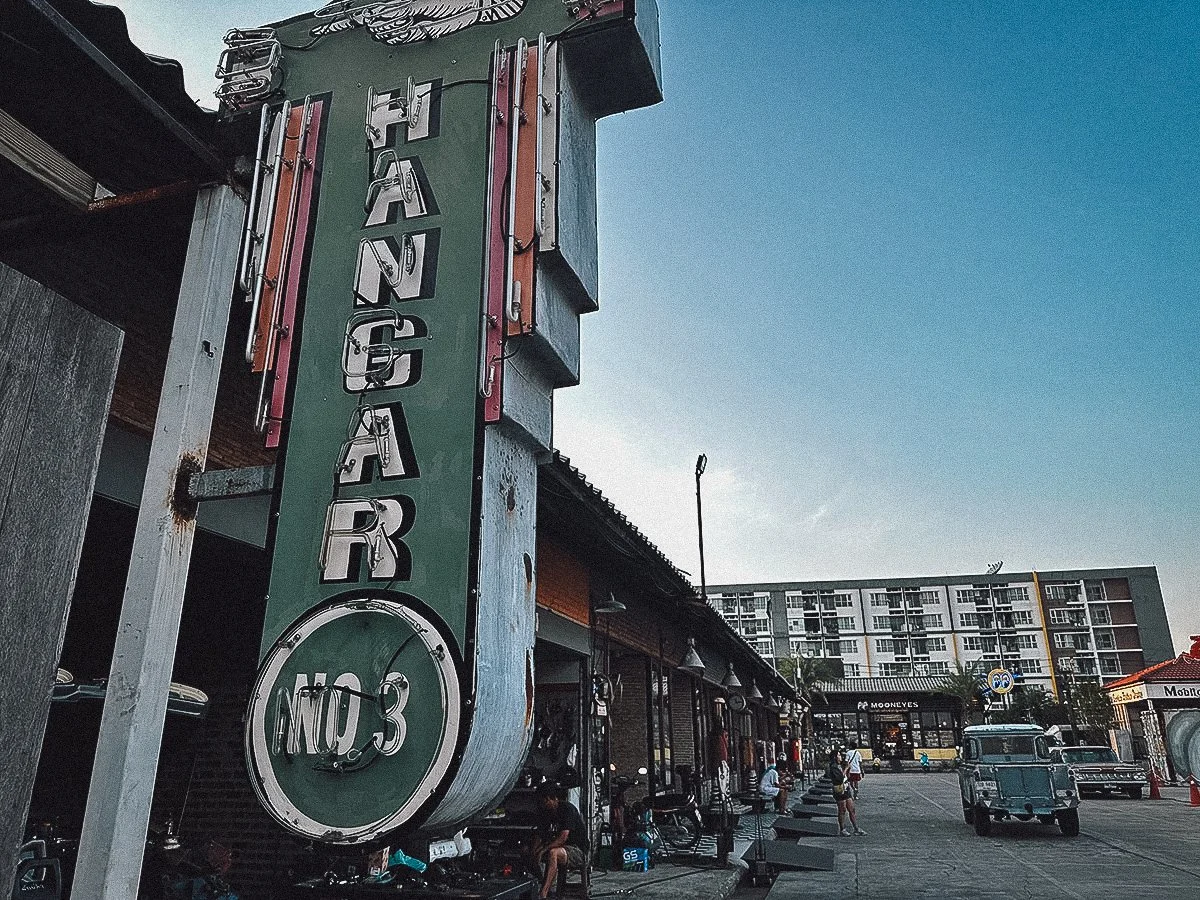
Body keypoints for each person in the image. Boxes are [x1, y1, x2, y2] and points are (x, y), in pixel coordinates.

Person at [530, 782, 587, 899]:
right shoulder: (545, 813)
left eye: (544, 801)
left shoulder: (567, 809)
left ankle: (543, 893)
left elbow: (563, 838)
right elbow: (539, 834)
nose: (542, 804)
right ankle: (544, 885)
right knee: (527, 852)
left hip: (576, 850)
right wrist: (534, 851)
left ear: (552, 799)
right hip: (557, 846)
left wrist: (543, 850)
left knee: (553, 853)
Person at [827, 750, 865, 837]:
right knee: (842, 810)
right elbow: (839, 778)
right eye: (839, 755)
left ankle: (856, 828)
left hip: (846, 788)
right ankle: (842, 829)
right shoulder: (833, 767)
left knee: (851, 809)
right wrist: (846, 768)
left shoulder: (840, 765)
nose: (840, 757)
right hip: (840, 790)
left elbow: (846, 777)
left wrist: (847, 769)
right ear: (835, 757)